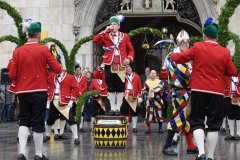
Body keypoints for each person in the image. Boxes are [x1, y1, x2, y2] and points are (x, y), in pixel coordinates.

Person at [170, 17, 237, 160]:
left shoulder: (198, 47)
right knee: (213, 124)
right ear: (216, 36)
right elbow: (232, 71)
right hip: (217, 91)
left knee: (197, 120)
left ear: (204, 35)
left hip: (199, 89)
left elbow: (182, 57)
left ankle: (201, 153)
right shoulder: (225, 52)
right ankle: (211, 156)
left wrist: (174, 55)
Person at [9, 21, 62, 160]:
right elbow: (58, 68)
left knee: (24, 120)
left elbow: (11, 75)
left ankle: (22, 152)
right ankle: (38, 154)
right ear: (38, 35)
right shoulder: (44, 49)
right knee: (38, 122)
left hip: (23, 92)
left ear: (27, 34)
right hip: (39, 90)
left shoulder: (18, 51)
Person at [162, 30, 198, 156]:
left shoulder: (186, 55)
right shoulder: (175, 55)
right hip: (180, 91)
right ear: (179, 43)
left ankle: (191, 146)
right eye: (183, 43)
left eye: (186, 43)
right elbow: (185, 74)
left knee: (186, 118)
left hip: (187, 91)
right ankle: (166, 146)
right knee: (177, 118)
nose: (185, 45)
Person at [93, 15, 134, 115]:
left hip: (121, 64)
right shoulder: (106, 35)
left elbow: (131, 50)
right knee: (110, 87)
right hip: (109, 63)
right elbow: (95, 40)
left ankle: (118, 109)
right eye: (111, 24)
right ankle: (111, 108)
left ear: (118, 26)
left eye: (115, 24)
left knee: (120, 87)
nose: (112, 26)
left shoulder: (125, 36)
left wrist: (129, 59)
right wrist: (104, 31)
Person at [44, 69, 80, 145]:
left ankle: (76, 137)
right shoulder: (51, 76)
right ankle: (47, 135)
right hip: (53, 101)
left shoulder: (69, 77)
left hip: (64, 102)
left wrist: (72, 100)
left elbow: (76, 88)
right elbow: (47, 86)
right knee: (50, 119)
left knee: (71, 119)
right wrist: (48, 98)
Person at [121, 65, 142, 133]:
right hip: (126, 95)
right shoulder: (124, 77)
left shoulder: (137, 76)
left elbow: (140, 87)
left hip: (134, 95)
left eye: (129, 68)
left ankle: (134, 127)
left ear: (131, 68)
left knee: (134, 112)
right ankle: (126, 125)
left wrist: (140, 96)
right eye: (127, 69)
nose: (128, 70)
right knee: (125, 111)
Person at [143, 70, 165, 134]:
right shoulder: (146, 82)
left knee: (159, 113)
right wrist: (146, 93)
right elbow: (144, 90)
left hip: (157, 100)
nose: (152, 74)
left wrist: (154, 92)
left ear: (156, 74)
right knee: (148, 114)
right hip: (149, 100)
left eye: (154, 73)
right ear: (149, 74)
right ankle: (148, 128)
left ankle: (160, 128)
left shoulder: (159, 82)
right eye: (151, 73)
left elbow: (161, 89)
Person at [224, 76, 240, 140]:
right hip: (228, 96)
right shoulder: (227, 76)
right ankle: (232, 134)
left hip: (238, 96)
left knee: (239, 114)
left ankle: (238, 133)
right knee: (230, 114)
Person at [73, 62, 87, 132]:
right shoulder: (72, 78)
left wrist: (80, 92)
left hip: (81, 97)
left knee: (81, 112)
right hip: (74, 97)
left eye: (79, 70)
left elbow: (85, 87)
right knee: (74, 111)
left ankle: (81, 126)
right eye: (77, 70)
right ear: (75, 71)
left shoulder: (84, 78)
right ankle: (75, 126)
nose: (78, 71)